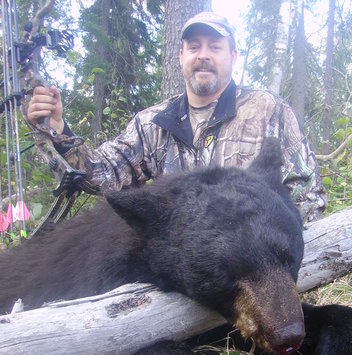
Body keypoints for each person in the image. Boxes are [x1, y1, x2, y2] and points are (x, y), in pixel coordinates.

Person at [27, 12, 327, 222]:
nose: (203, 55)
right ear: (181, 56)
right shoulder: (153, 124)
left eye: (215, 47)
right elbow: (104, 176)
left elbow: (308, 199)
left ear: (233, 57)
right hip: (184, 281)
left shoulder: (268, 111)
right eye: (194, 47)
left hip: (253, 275)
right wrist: (58, 130)